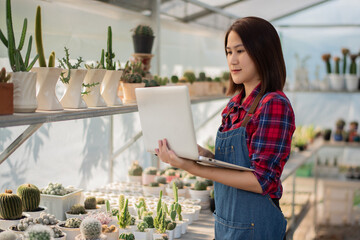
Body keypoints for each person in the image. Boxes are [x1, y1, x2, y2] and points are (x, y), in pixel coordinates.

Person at [155, 16, 295, 240]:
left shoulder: (273, 104)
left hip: (256, 230)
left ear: (263, 52)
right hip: (225, 226)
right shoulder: (234, 105)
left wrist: (193, 167)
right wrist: (204, 155)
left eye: (240, 51)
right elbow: (236, 167)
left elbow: (262, 181)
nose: (233, 60)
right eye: (229, 52)